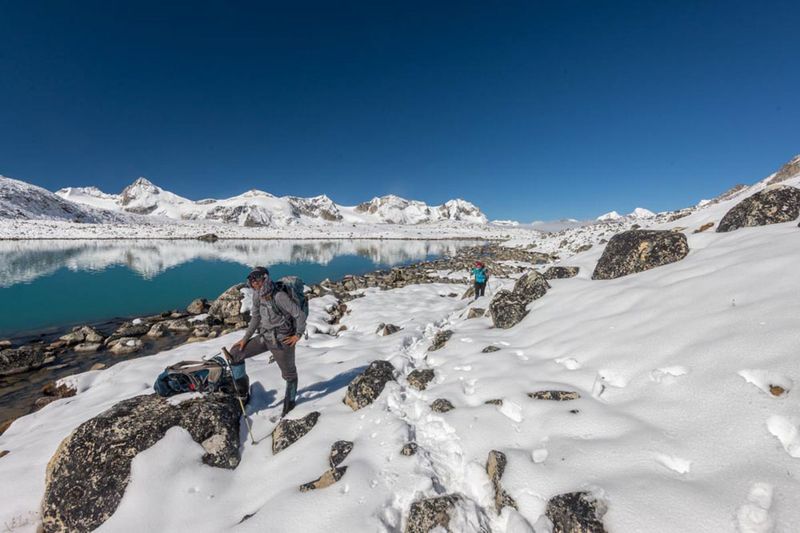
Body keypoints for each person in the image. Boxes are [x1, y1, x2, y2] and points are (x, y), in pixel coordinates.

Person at [224, 267, 306, 417]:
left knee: (289, 375)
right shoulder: (257, 295)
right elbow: (255, 318)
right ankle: (242, 394)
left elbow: (299, 315)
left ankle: (290, 403)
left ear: (265, 278)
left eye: (257, 279)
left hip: (282, 341)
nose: (254, 283)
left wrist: (297, 335)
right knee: (235, 354)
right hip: (264, 337)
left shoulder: (279, 296)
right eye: (252, 280)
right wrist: (245, 339)